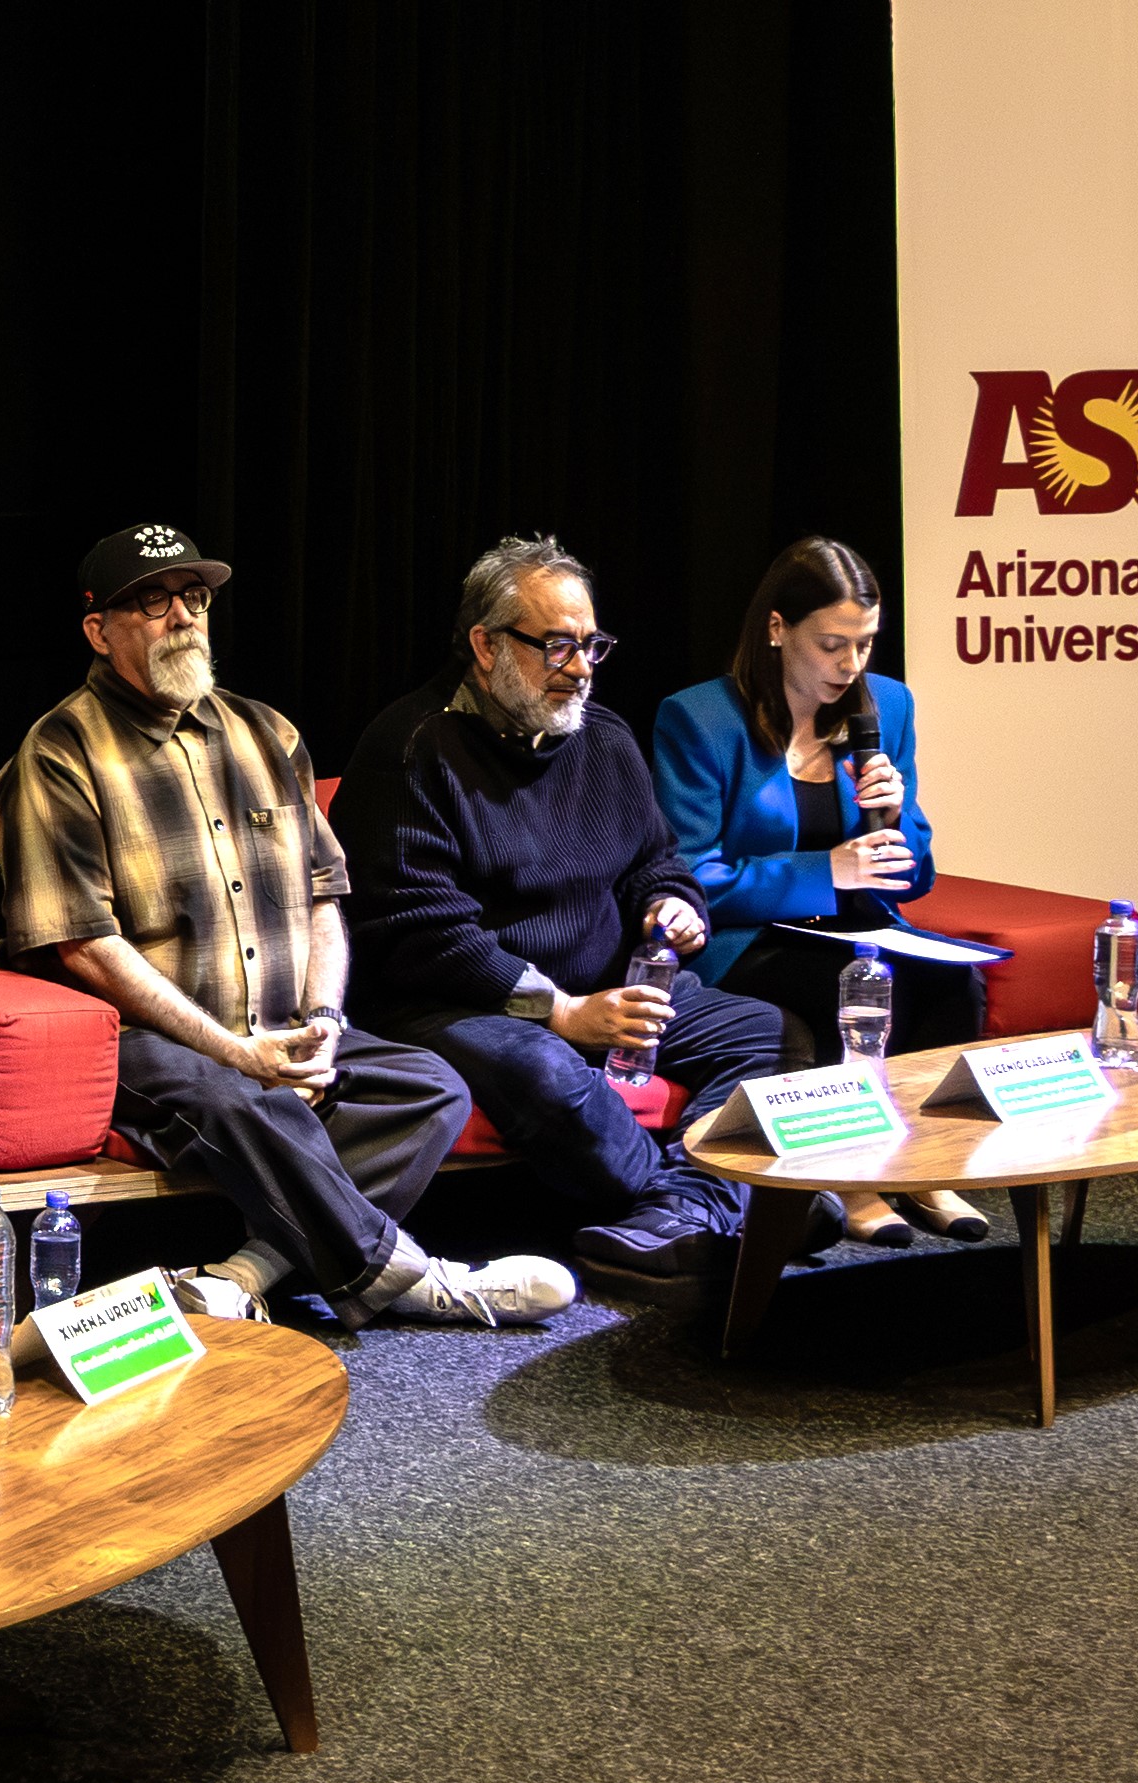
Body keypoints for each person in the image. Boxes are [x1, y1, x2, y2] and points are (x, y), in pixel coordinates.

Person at [0, 523, 579, 1330]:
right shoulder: (57, 753)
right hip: (140, 1042)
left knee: (427, 1086)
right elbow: (83, 946)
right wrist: (235, 1052)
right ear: (98, 631)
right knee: (243, 1099)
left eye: (193, 598)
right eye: (152, 602)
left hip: (275, 1025)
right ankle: (412, 1276)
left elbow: (323, 897)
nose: (182, 616)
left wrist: (324, 1021)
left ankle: (241, 1276)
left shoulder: (266, 732)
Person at [335, 534, 797, 1298]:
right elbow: (423, 935)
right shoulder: (412, 747)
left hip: (600, 985)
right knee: (546, 1069)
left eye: (590, 645)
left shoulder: (603, 738)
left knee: (770, 1034)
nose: (580, 667)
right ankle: (701, 1208)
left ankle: (684, 1212)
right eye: (556, 645)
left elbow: (655, 860)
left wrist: (670, 903)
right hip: (451, 1000)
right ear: (485, 645)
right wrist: (561, 1011)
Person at [651, 536, 992, 1250]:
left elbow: (915, 875)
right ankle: (851, 1177)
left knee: (955, 984)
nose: (850, 664)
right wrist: (826, 870)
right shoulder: (700, 719)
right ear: (777, 629)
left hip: (857, 924)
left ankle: (920, 1165)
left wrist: (893, 817)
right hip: (746, 940)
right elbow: (692, 877)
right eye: (832, 645)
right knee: (845, 986)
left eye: (864, 644)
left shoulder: (887, 705)